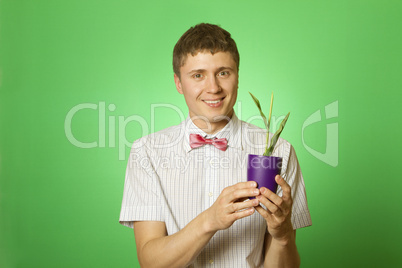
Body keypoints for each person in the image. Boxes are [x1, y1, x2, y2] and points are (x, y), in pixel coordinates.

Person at [119, 23, 312, 267]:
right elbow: (151, 262)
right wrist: (210, 220)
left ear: (237, 77)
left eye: (223, 72)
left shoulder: (278, 152)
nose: (213, 88)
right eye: (198, 75)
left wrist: (283, 237)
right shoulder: (146, 152)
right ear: (178, 83)